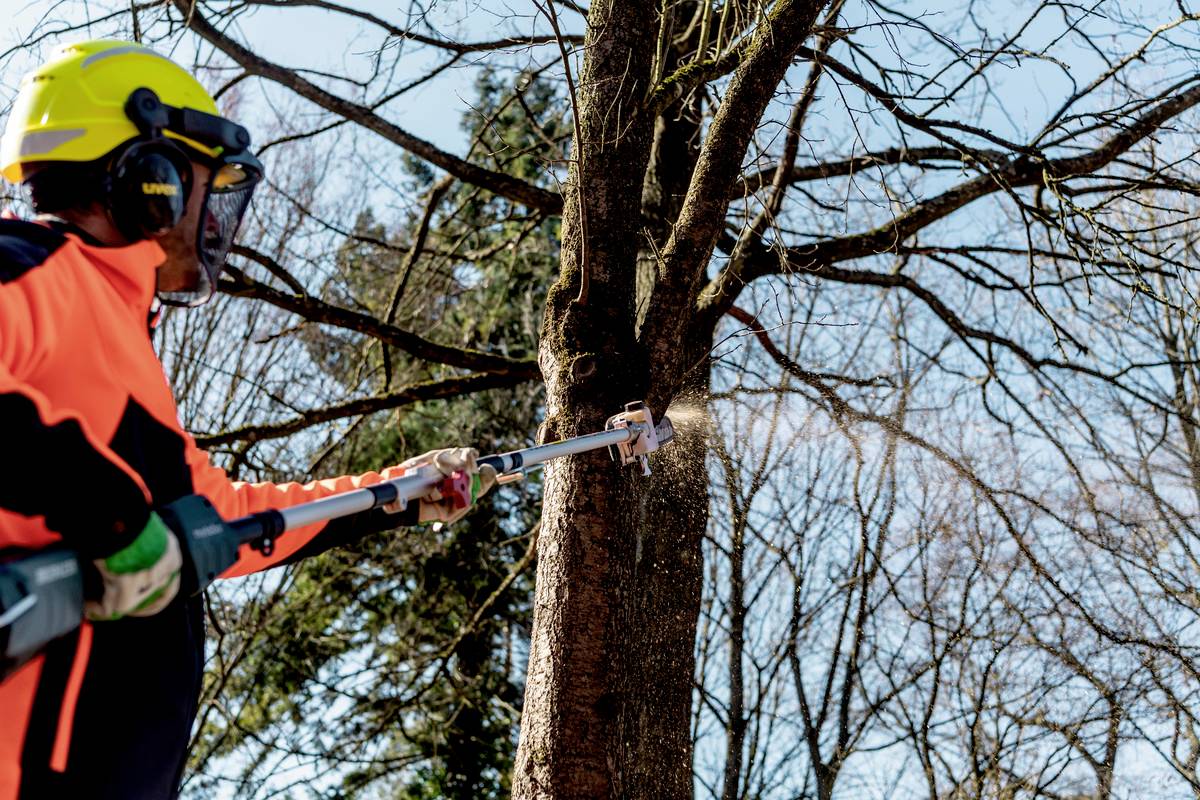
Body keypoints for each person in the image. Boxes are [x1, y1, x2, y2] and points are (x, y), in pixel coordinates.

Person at [0, 39, 495, 799]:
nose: (219, 216)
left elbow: (228, 520)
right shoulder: (28, 266)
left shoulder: (123, 340)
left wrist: (400, 492)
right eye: (208, 184)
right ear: (148, 178)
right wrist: (112, 518)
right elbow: (118, 511)